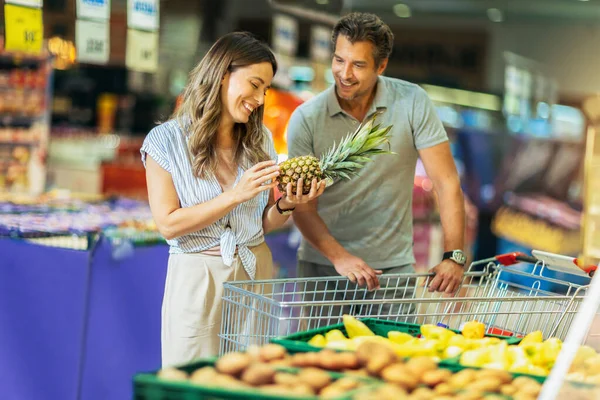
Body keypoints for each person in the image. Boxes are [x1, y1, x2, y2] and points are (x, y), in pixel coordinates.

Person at [140, 32, 325, 367]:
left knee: (249, 377)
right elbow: (169, 224)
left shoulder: (260, 140)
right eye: (254, 84)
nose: (259, 98)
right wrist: (235, 194)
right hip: (199, 279)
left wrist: (286, 204)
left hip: (255, 273)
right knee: (192, 380)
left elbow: (261, 224)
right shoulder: (165, 141)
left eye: (265, 89)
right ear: (223, 73)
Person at [287, 12, 466, 319]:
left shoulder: (411, 102)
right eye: (339, 60)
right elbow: (303, 208)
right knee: (324, 361)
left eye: (358, 64)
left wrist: (454, 255)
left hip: (392, 271)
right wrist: (341, 258)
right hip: (324, 272)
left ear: (381, 66)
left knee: (392, 360)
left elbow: (446, 181)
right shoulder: (306, 119)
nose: (345, 73)